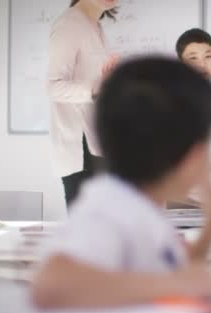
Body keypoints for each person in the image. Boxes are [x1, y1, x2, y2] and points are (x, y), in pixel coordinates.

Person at [31, 57, 211, 309]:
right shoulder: (112, 210)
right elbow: (52, 285)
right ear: (190, 157)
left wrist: (210, 231)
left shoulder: (141, 207)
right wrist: (177, 285)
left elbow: (166, 270)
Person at [47, 0, 121, 208]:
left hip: (96, 144)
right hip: (79, 148)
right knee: (87, 230)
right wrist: (96, 88)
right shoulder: (68, 25)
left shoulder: (95, 26)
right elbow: (53, 87)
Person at [176, 28, 211, 150]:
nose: (202, 64)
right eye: (193, 58)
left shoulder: (210, 98)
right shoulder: (171, 100)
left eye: (208, 56)